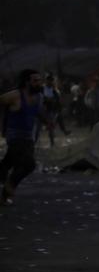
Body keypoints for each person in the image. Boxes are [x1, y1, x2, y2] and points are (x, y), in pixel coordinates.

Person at [0, 69, 47, 205]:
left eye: (39, 80)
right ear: (27, 82)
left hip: (28, 137)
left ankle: (3, 197)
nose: (39, 83)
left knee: (10, 163)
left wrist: (48, 122)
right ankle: (9, 187)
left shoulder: (39, 96)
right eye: (35, 81)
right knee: (28, 164)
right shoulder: (15, 95)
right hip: (14, 136)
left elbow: (38, 112)